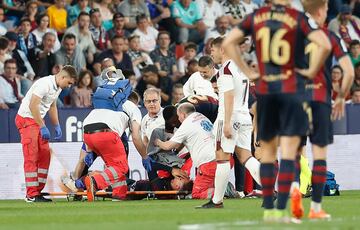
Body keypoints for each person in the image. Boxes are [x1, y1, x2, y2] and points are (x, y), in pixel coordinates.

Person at [221, 0, 332, 222]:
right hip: (291, 90)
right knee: (290, 151)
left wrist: (248, 72)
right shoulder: (297, 18)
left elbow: (229, 42)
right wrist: (309, 72)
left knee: (268, 155)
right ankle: (285, 205)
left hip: (267, 90)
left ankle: (271, 210)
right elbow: (325, 45)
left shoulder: (256, 17)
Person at [293, 0, 354, 220]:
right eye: (327, 9)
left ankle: (294, 197)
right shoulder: (331, 37)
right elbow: (348, 72)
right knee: (319, 155)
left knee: (293, 152)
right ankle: (316, 208)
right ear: (321, 11)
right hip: (319, 101)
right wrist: (339, 97)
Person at [198, 37, 261, 209]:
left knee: (222, 158)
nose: (211, 53)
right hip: (244, 117)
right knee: (246, 156)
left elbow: (229, 95)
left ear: (222, 50)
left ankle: (217, 200)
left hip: (230, 117)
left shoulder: (225, 70)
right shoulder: (240, 67)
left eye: (213, 50)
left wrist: (226, 123)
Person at [15, 65, 77, 202]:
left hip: (36, 120)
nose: (69, 86)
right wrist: (43, 126)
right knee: (32, 156)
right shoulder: (44, 84)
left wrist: (56, 125)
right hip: (26, 119)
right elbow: (33, 105)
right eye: (69, 83)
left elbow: (52, 105)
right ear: (63, 77)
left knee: (44, 156)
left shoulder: (58, 87)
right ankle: (31, 195)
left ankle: (37, 191)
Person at [82, 90, 147, 201]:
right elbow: (136, 137)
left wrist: (88, 151)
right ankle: (95, 182)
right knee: (121, 167)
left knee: (113, 165)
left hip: (87, 134)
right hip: (106, 133)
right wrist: (145, 156)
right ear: (135, 102)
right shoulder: (133, 107)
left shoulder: (109, 103)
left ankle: (119, 195)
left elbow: (90, 123)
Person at [155, 103, 218, 199]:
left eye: (178, 116)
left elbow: (168, 146)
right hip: (220, 157)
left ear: (183, 114)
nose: (178, 119)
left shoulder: (186, 124)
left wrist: (158, 142)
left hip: (207, 162)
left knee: (196, 194)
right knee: (208, 186)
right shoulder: (201, 117)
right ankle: (220, 190)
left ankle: (222, 191)